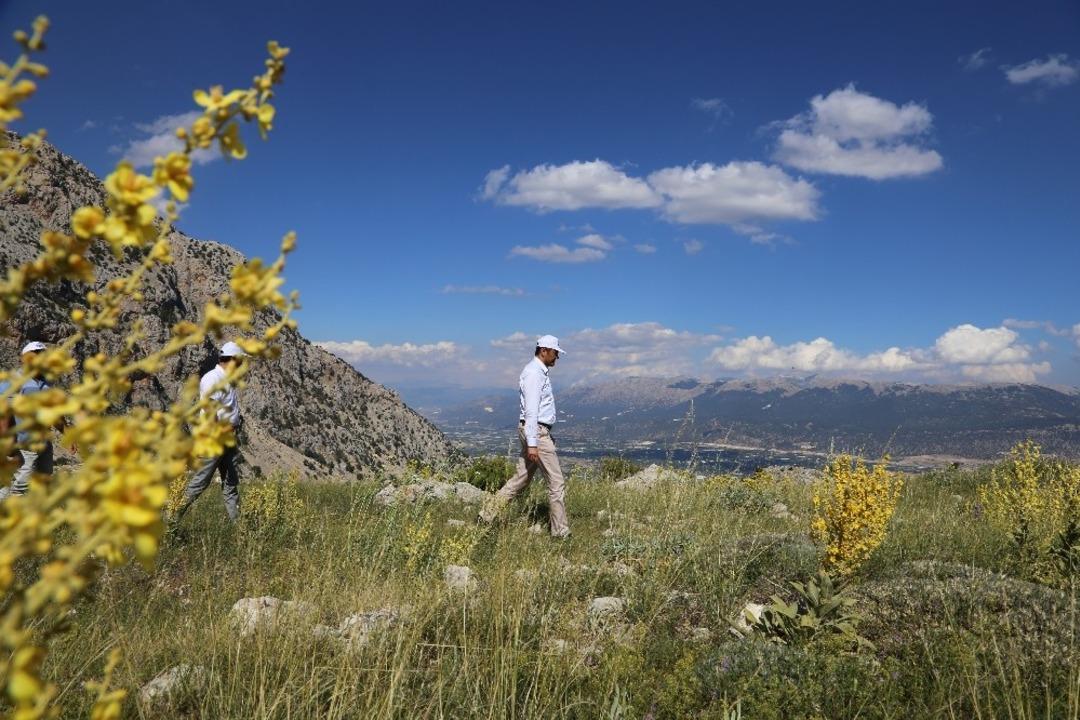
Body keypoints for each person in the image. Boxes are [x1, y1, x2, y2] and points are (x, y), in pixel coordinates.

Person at [479, 335, 570, 538]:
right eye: (556, 352)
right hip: (536, 432)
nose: (557, 357)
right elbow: (531, 410)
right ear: (544, 350)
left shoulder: (537, 372)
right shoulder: (533, 373)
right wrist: (532, 444)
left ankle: (486, 514)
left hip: (534, 431)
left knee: (522, 478)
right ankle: (560, 532)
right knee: (556, 482)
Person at [173, 341, 247, 523]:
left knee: (230, 483)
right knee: (200, 483)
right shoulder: (212, 378)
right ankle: (170, 520)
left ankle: (239, 526)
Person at [1, 341, 58, 501]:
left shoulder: (47, 382)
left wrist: (66, 432)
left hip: (44, 443)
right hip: (24, 445)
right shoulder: (14, 381)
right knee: (20, 487)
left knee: (44, 483)